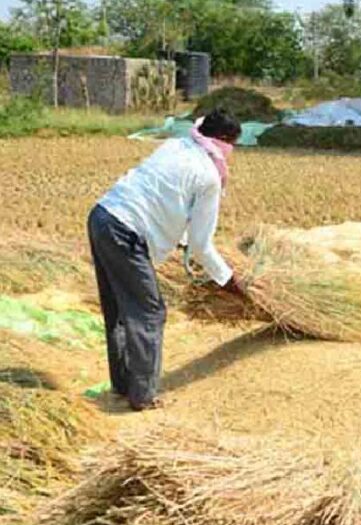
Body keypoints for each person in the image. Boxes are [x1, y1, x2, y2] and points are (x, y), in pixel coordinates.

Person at [87, 109, 245, 411]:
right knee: (150, 311)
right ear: (224, 141)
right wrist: (228, 280)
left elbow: (165, 198)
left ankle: (124, 385)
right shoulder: (209, 176)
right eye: (233, 144)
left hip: (102, 216)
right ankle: (143, 396)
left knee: (119, 307)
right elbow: (201, 245)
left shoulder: (176, 145)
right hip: (126, 233)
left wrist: (179, 240)